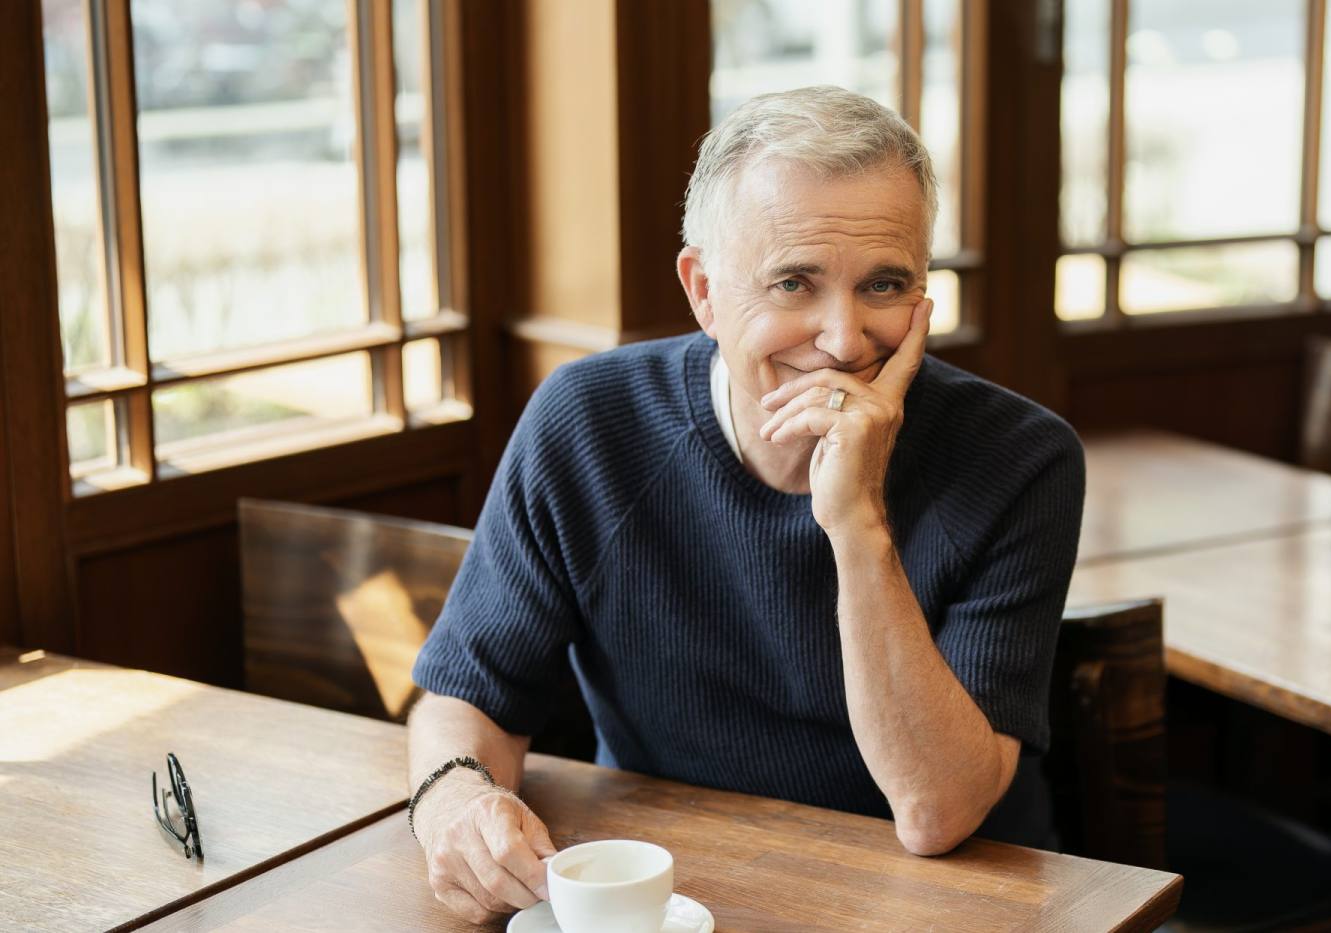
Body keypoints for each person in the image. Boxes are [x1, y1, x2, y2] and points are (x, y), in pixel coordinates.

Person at [404, 86, 1085, 923]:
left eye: (883, 284)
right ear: (704, 290)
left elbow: (936, 813)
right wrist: (454, 802)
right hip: (684, 890)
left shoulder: (1020, 456)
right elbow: (467, 697)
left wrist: (857, 521)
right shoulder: (587, 420)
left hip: (948, 900)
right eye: (794, 283)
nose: (843, 339)